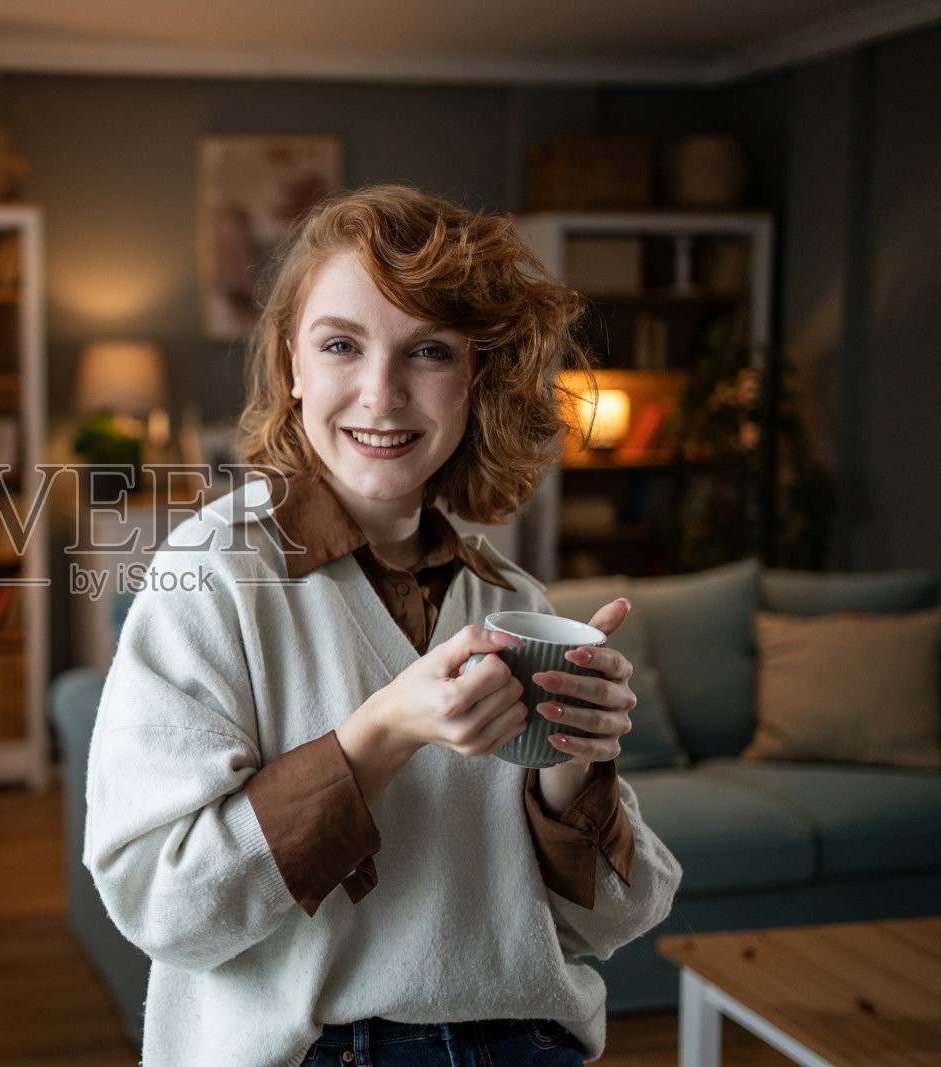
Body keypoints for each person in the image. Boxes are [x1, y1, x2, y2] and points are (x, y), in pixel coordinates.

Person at [83, 185, 681, 1066]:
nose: (382, 393)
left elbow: (614, 921)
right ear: (293, 364)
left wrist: (572, 764)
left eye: (428, 350)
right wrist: (383, 731)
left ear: (475, 377)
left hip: (525, 1042)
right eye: (341, 345)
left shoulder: (511, 599)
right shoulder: (210, 576)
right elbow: (163, 905)